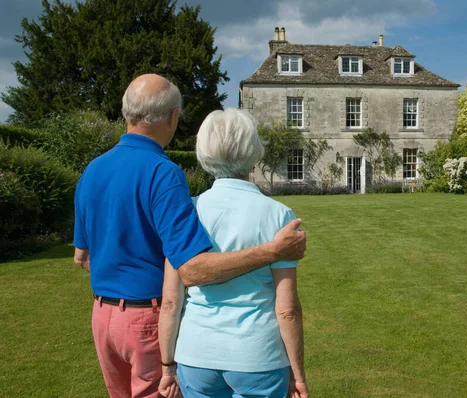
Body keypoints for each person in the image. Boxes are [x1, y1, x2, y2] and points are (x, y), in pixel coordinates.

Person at [73, 74, 306, 398]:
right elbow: (192, 268)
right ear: (172, 117)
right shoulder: (163, 171)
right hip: (148, 316)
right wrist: (271, 251)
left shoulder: (92, 170)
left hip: (103, 316)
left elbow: (82, 257)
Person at [158, 109, 309, 398]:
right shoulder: (279, 215)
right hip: (258, 354)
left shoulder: (187, 210)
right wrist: (297, 373)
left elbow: (170, 302)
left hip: (196, 354)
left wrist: (167, 367)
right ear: (253, 150)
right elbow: (287, 309)